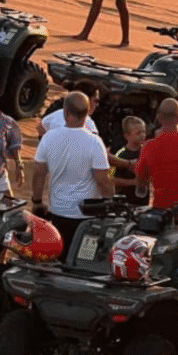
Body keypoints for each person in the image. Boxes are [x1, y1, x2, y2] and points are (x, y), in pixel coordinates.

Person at [32, 91, 113, 259]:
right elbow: (103, 181)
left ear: (65, 113)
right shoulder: (94, 142)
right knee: (82, 260)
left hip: (58, 211)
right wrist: (110, 204)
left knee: (59, 258)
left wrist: (37, 201)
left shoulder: (49, 138)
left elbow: (39, 174)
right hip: (86, 215)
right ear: (87, 113)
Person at [109, 116, 149, 206]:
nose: (142, 135)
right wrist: (133, 182)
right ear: (127, 135)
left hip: (146, 201)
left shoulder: (147, 152)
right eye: (138, 133)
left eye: (144, 132)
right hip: (127, 202)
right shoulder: (120, 155)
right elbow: (111, 179)